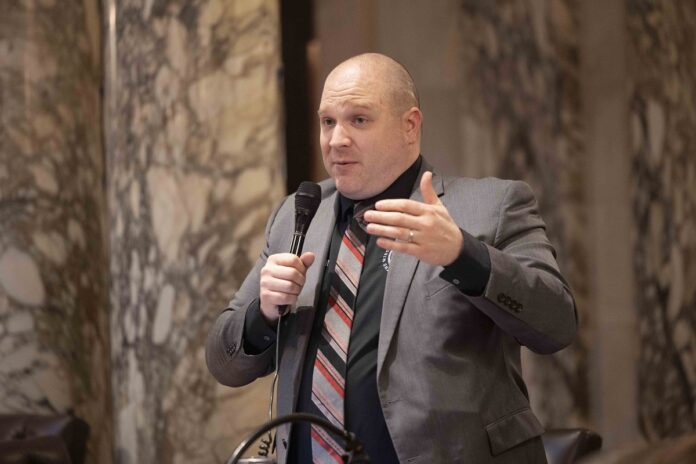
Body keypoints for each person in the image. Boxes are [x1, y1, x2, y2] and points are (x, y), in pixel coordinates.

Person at [206, 53, 577, 463]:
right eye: (327, 121)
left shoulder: (491, 205)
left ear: (410, 126)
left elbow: (556, 324)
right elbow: (225, 364)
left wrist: (463, 255)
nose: (337, 139)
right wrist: (263, 314)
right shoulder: (297, 215)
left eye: (359, 120)